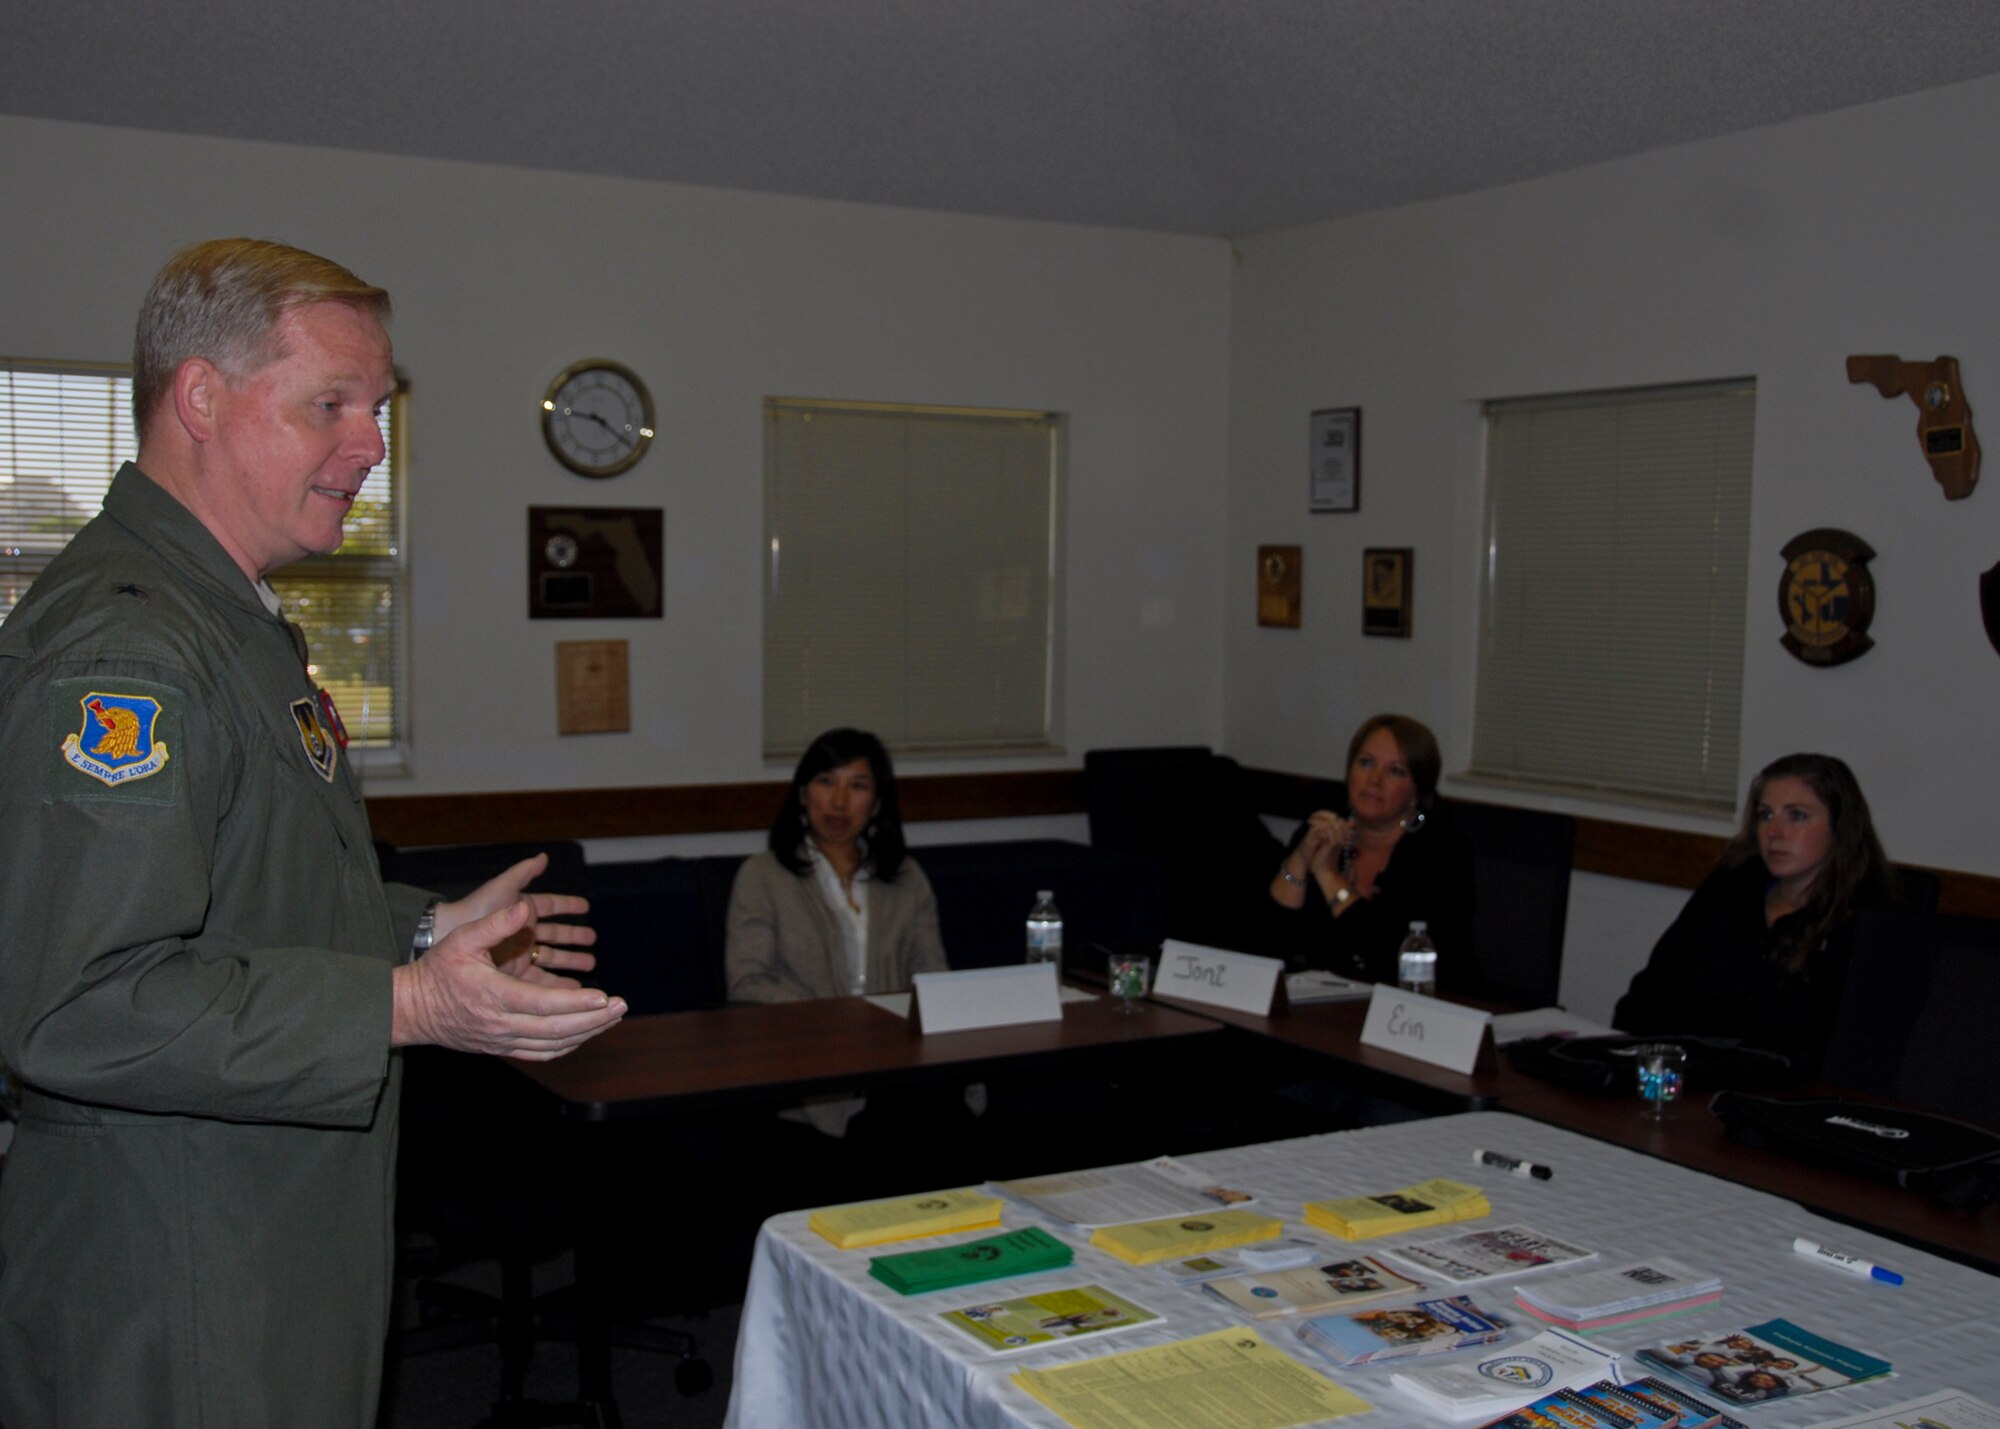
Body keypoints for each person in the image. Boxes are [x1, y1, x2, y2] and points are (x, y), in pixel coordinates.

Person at [0, 238, 628, 1427]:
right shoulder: (129, 648)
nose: (372, 443)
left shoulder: (226, 620)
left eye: (377, 408)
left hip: (265, 1242)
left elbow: (243, 896)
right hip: (181, 1277)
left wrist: (430, 927)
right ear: (201, 398)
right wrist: (412, 1003)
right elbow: (77, 1002)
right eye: (330, 404)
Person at [1613, 752, 1893, 1074]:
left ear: (1840, 827)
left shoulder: (1867, 924)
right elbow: (1649, 994)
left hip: (1779, 1092)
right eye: (1765, 815)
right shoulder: (1732, 887)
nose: (1774, 831)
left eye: (1796, 816)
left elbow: (1837, 1053)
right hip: (1684, 1075)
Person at [726, 727, 949, 1002]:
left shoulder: (907, 877)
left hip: (891, 1028)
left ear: (876, 804)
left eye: (857, 786)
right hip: (801, 1028)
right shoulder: (762, 876)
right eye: (827, 781)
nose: (839, 802)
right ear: (803, 794)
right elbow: (747, 982)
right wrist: (828, 1019)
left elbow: (933, 977)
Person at [1266, 713, 1476, 993]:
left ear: (1417, 791)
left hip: (1423, 1004)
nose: (1374, 779)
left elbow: (1391, 959)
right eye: (1366, 763)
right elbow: (1269, 942)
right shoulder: (1326, 827)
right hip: (1324, 1004)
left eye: (1395, 771)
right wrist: (1301, 858)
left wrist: (1328, 876)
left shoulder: (1441, 851)